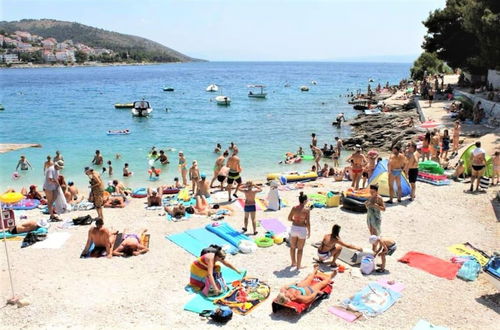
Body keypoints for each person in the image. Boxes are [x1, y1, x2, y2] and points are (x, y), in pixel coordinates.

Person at [287, 192, 311, 270]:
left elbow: (289, 218)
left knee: (292, 247)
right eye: (307, 200)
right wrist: (309, 232)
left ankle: (293, 263)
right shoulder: (307, 210)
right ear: (304, 201)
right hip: (302, 229)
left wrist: (295, 220)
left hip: (294, 228)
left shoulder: (294, 208)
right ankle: (298, 266)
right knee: (300, 249)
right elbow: (308, 223)